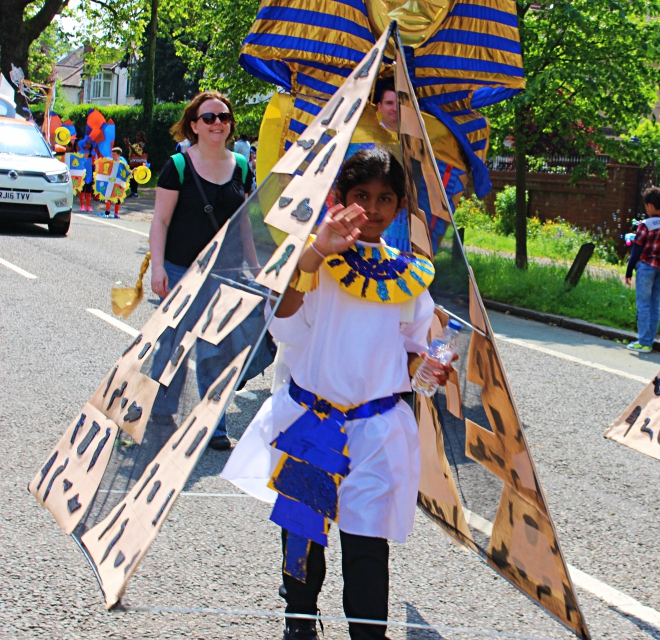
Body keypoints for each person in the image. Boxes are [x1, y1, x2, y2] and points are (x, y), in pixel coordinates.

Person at [221, 148, 452, 640]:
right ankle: (299, 621)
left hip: (376, 431)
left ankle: (369, 635)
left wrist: (431, 367)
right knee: (303, 540)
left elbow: (412, 353)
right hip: (311, 425)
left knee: (368, 547)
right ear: (339, 199)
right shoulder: (314, 261)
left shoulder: (410, 276)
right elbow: (282, 320)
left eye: (385, 198)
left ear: (399, 206)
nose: (372, 208)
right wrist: (316, 252)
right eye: (361, 196)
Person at [149, 90, 258, 451]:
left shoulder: (242, 167)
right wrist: (158, 268)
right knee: (172, 346)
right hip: (180, 269)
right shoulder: (177, 166)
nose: (217, 123)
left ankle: (214, 425)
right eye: (209, 117)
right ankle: (161, 415)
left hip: (224, 273)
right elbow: (160, 221)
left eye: (224, 117)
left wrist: (255, 268)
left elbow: (244, 226)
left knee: (217, 349)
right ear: (193, 125)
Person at [624, 187, 660, 353]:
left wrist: (629, 270)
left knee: (643, 304)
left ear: (650, 206)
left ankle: (643, 341)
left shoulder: (645, 225)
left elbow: (636, 250)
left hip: (646, 267)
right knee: (655, 303)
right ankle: (650, 340)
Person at [125, 131, 147, 198]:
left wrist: (129, 143)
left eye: (138, 135)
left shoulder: (142, 144)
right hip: (132, 161)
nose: (136, 137)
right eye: (136, 135)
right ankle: (132, 192)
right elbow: (128, 150)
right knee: (131, 177)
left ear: (141, 137)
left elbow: (137, 152)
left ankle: (135, 192)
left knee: (135, 178)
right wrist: (126, 143)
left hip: (137, 163)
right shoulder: (135, 144)